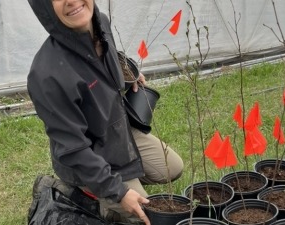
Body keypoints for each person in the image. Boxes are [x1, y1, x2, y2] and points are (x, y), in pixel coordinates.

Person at [26, 0, 184, 224]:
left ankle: (121, 182)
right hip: (86, 155)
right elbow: (73, 149)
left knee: (172, 168)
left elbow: (103, 58)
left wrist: (127, 71)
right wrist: (119, 192)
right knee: (148, 216)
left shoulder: (100, 24)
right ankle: (90, 194)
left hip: (117, 134)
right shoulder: (47, 75)